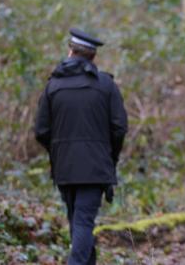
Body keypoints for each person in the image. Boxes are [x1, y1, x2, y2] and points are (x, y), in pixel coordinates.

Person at [34, 28, 128, 265]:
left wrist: (59, 151)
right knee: (83, 222)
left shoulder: (52, 86)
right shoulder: (106, 85)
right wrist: (109, 156)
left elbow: (41, 131)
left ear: (70, 51)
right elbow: (119, 128)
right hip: (95, 166)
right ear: (93, 57)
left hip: (65, 167)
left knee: (77, 221)